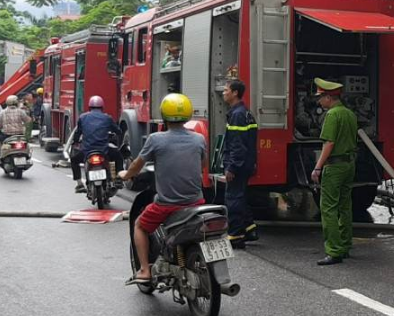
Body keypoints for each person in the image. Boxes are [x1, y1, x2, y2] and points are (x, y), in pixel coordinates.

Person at [118, 93, 208, 285]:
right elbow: (202, 165)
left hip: (167, 205)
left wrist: (125, 175)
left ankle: (144, 270)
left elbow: (137, 165)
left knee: (140, 226)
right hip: (197, 202)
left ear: (163, 116)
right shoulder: (199, 139)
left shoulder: (155, 140)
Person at [310, 78, 358, 266]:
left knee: (328, 208)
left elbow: (329, 143)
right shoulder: (349, 114)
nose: (319, 101)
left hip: (334, 167)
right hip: (349, 165)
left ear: (329, 97)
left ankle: (334, 250)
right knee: (345, 206)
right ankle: (345, 245)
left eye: (321, 97)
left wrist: (318, 167)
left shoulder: (332, 115)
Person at [220, 80, 258, 247]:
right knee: (240, 195)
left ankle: (236, 237)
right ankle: (250, 229)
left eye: (226, 90)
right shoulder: (244, 112)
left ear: (235, 93)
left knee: (233, 198)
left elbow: (237, 144)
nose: (223, 92)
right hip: (246, 163)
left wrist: (232, 167)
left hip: (239, 165)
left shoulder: (237, 115)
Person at [70, 95, 123, 193]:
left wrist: (76, 142)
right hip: (104, 151)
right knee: (119, 157)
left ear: (89, 107)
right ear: (102, 107)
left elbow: (78, 133)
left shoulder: (83, 117)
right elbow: (118, 131)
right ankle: (119, 178)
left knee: (74, 160)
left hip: (87, 151)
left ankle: (79, 184)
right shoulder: (107, 118)